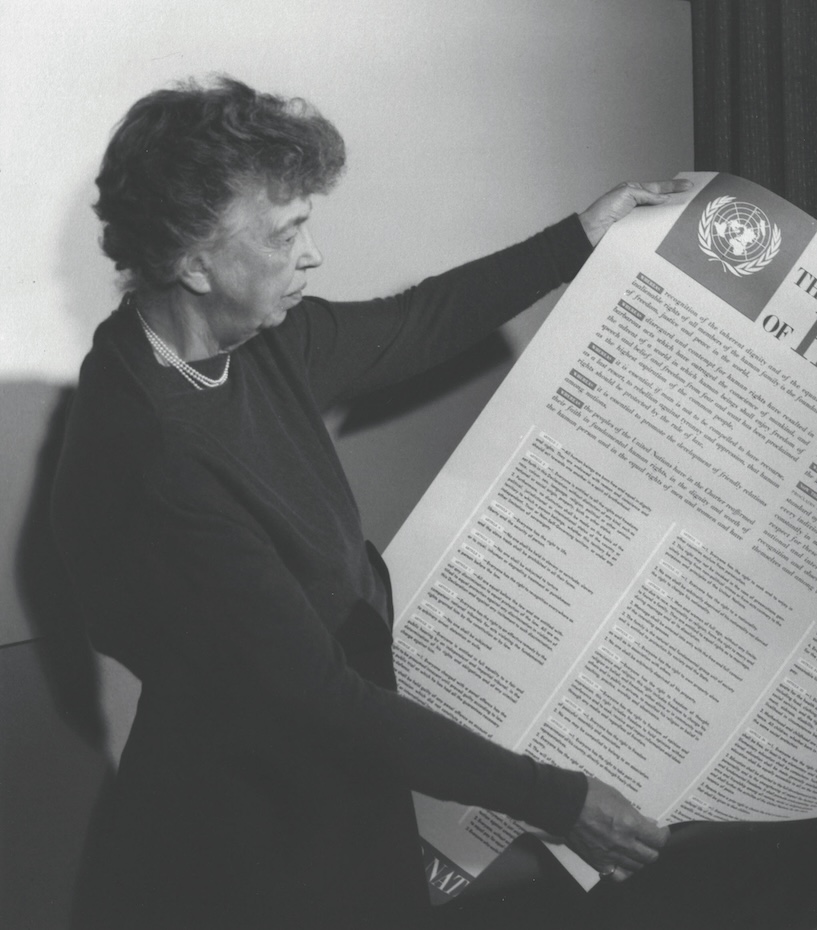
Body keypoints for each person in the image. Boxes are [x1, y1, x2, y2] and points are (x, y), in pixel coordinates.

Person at [52, 75, 683, 930]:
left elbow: (414, 322)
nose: (311, 254)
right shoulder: (154, 446)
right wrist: (561, 801)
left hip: (336, 786)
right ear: (191, 260)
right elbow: (315, 697)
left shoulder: (258, 339)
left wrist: (580, 237)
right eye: (286, 233)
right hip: (245, 838)